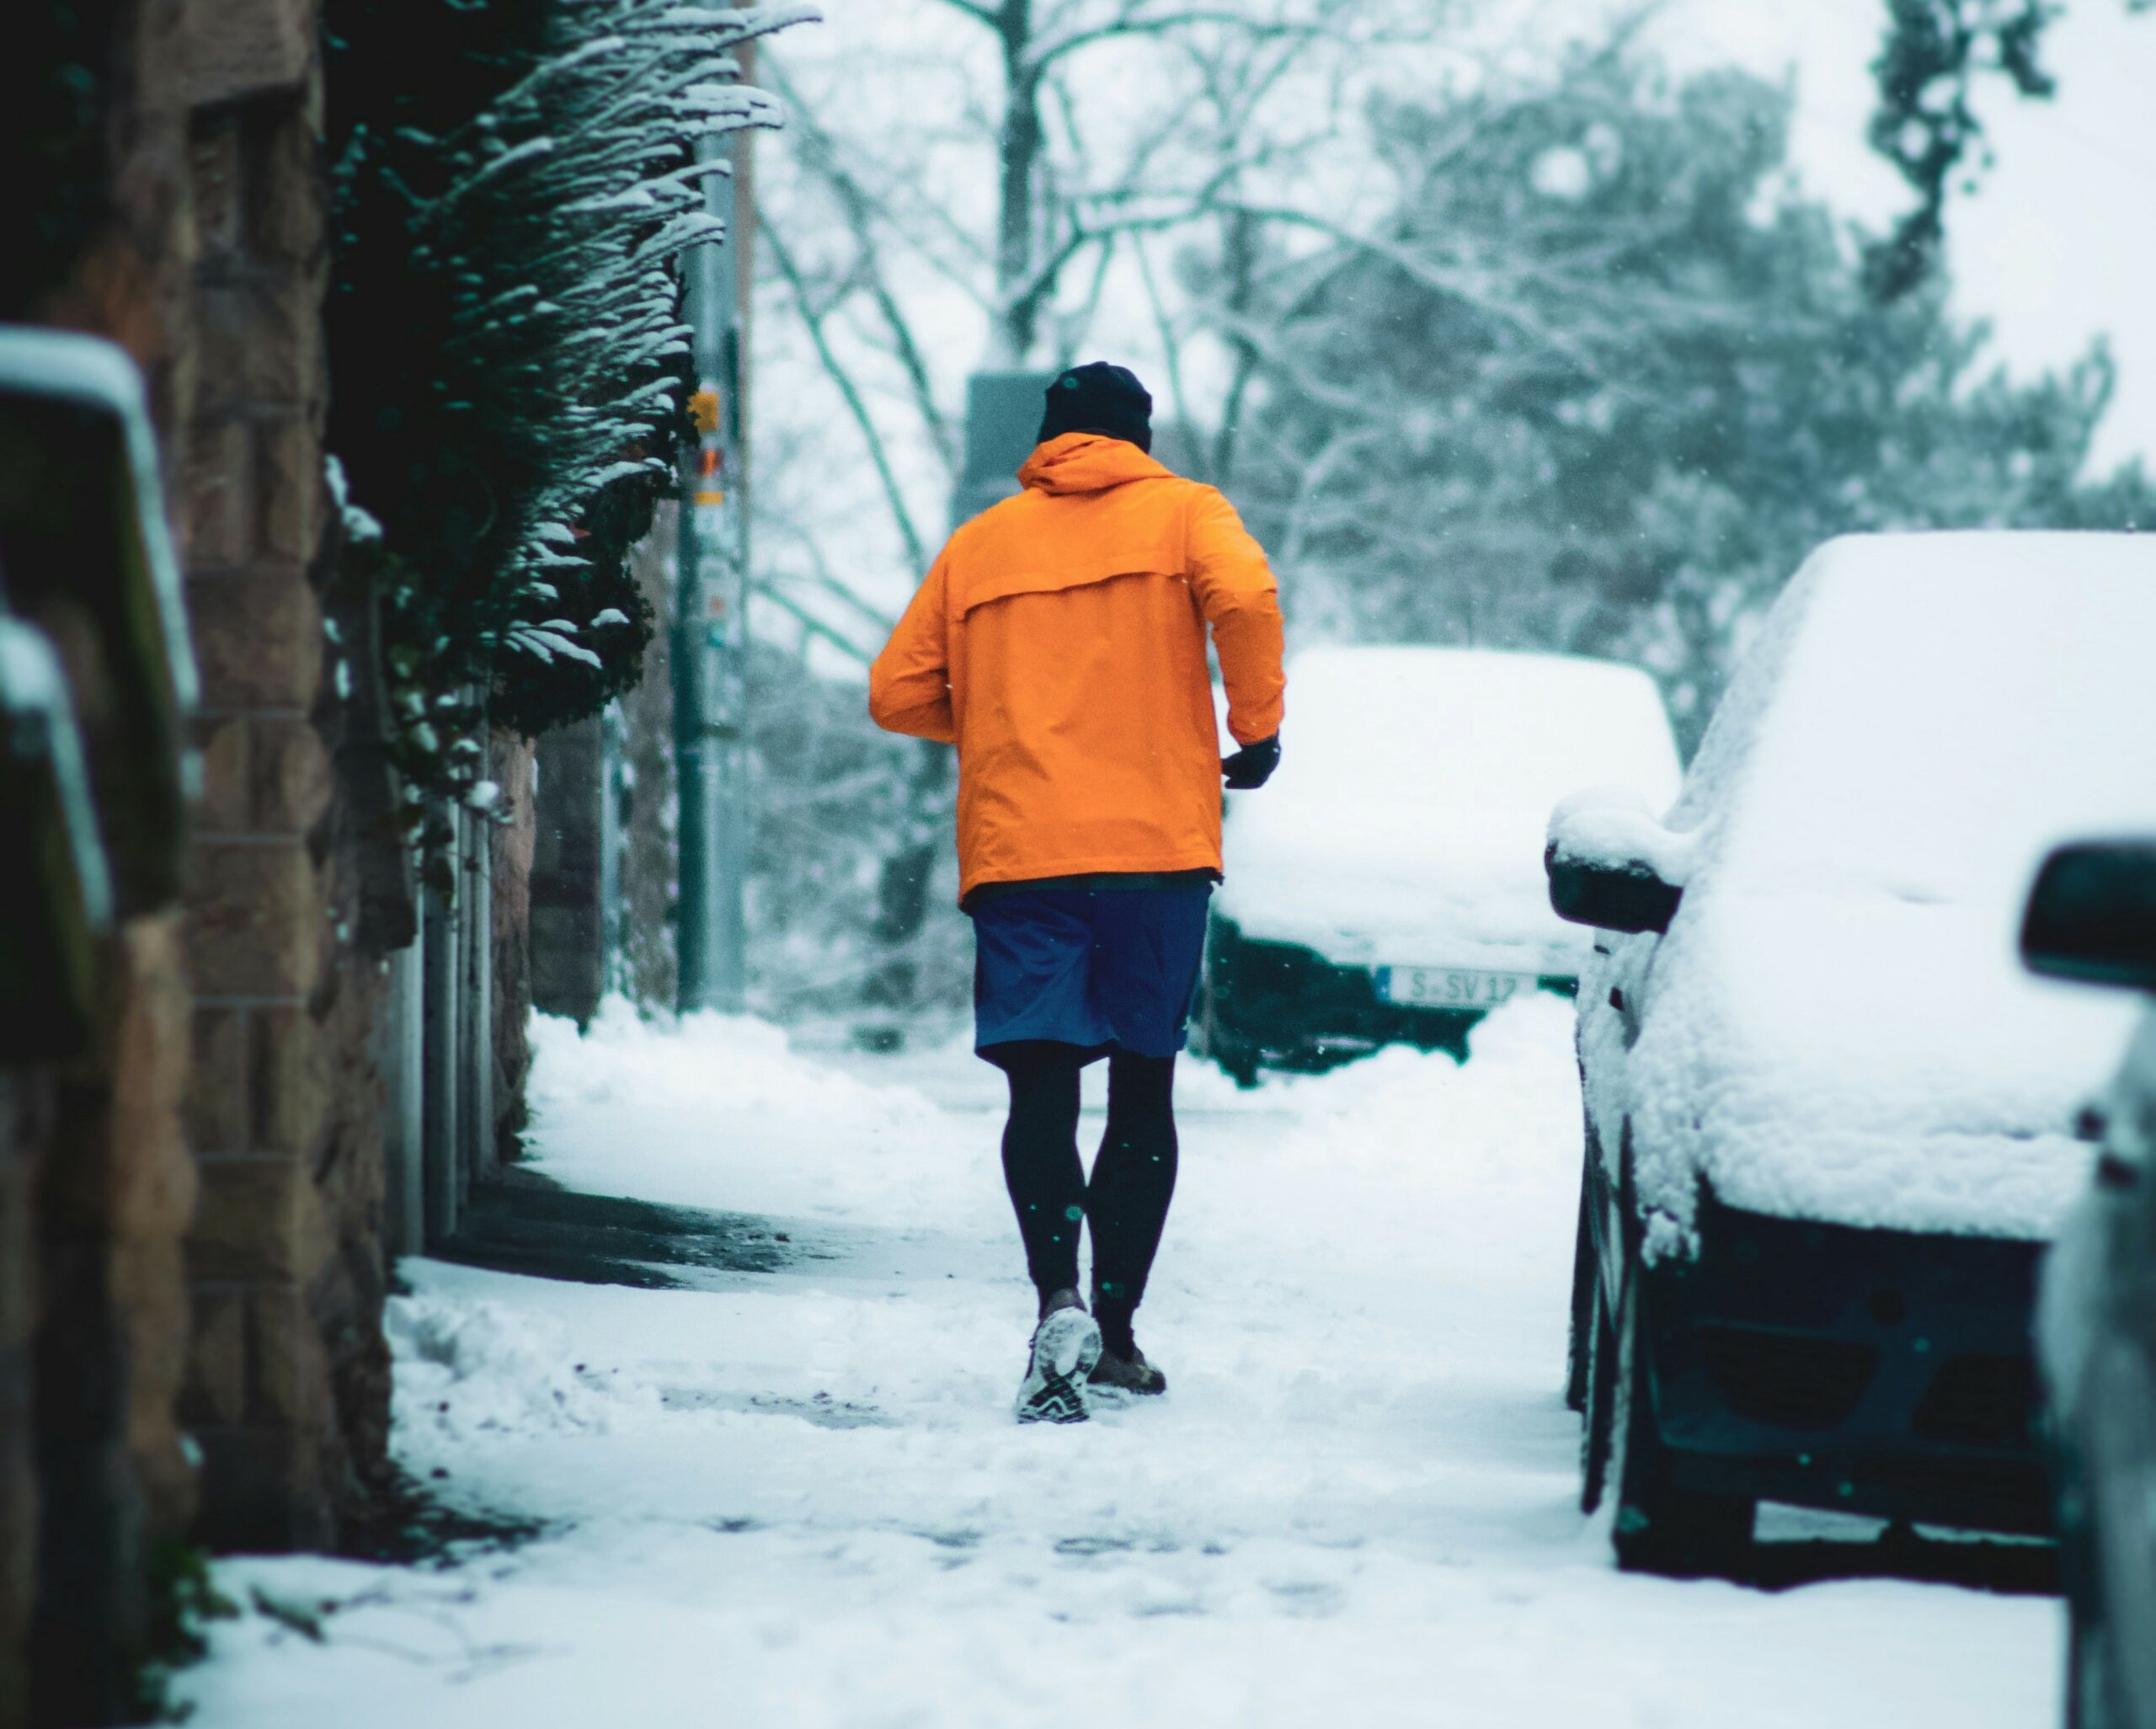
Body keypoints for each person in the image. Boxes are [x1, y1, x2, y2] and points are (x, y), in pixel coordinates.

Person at [868, 362, 1286, 1423]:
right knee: (1143, 1085)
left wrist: (1013, 725)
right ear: (1138, 437)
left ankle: (1055, 1296)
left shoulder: (982, 543)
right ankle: (1119, 1331)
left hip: (1024, 850)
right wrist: (1255, 729)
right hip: (1153, 846)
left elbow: (897, 691)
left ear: (1050, 439)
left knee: (1040, 1087)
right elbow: (1243, 595)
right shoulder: (1186, 513)